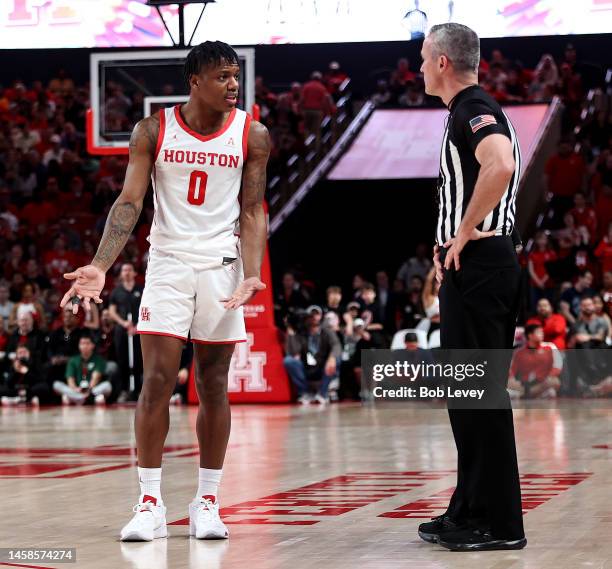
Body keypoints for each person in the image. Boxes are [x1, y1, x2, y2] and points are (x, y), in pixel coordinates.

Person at [60, 42, 270, 542]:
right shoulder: (152, 129)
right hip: (169, 263)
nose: (233, 85)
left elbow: (253, 209)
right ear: (194, 81)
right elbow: (130, 201)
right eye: (222, 76)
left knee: (214, 384)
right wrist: (99, 264)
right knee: (157, 379)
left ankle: (208, 502)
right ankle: (150, 501)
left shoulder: (252, 134)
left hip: (221, 265)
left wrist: (252, 272)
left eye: (235, 76)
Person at [418, 24, 526, 551]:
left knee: (480, 395)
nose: (417, 68)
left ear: (441, 61)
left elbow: (500, 164)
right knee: (465, 397)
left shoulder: (472, 108)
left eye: (422, 58)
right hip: (475, 266)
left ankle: (501, 525)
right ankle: (470, 508)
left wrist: (462, 232)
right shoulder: (472, 109)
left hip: (482, 264)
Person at [284, 305, 341, 405]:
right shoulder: (301, 333)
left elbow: (336, 345)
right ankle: (304, 393)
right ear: (307, 317)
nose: (314, 317)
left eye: (317, 314)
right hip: (307, 367)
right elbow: (293, 352)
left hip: (322, 367)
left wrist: (331, 358)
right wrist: (291, 332)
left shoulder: (327, 331)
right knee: (288, 361)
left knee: (336, 358)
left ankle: (323, 394)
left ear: (321, 316)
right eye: (311, 314)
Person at [109, 263, 144, 401]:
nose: (127, 272)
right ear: (121, 274)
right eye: (124, 270)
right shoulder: (116, 291)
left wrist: (138, 326)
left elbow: (146, 308)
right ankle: (124, 390)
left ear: (135, 273)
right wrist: (123, 323)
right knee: (122, 359)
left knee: (139, 360)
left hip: (139, 329)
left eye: (130, 270)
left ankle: (139, 390)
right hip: (122, 330)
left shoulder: (141, 290)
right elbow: (111, 311)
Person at [53, 333, 111, 405]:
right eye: (82, 343)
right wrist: (75, 389)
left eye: (87, 343)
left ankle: (75, 398)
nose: (84, 346)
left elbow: (96, 377)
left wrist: (88, 389)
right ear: (79, 346)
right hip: (76, 389)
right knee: (56, 385)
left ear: (92, 345)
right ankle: (86, 399)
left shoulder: (98, 359)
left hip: (92, 389)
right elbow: (70, 378)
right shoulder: (73, 360)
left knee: (107, 385)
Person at [507, 324, 562, 399]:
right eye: (539, 332)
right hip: (523, 385)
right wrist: (512, 379)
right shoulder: (519, 352)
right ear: (530, 335)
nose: (542, 334)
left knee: (554, 381)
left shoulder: (550, 347)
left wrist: (546, 377)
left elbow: (557, 366)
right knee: (507, 382)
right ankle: (532, 394)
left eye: (542, 332)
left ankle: (524, 395)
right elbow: (511, 370)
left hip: (542, 382)